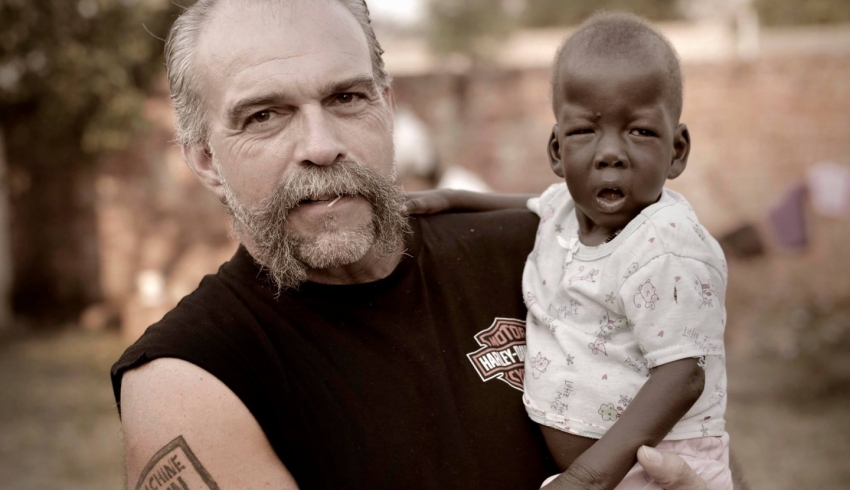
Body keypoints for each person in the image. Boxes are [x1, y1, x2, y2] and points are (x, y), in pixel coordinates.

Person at [111, 1, 739, 489]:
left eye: (346, 97)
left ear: (387, 107)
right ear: (205, 159)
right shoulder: (189, 379)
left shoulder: (542, 252)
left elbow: (696, 439)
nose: (321, 146)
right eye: (264, 116)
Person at [407, 12, 732, 490]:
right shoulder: (564, 208)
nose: (610, 153)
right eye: (585, 131)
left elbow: (682, 375)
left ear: (677, 150)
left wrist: (586, 477)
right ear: (557, 151)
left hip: (658, 468)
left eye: (640, 131)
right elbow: (523, 204)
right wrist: (448, 200)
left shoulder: (667, 246)